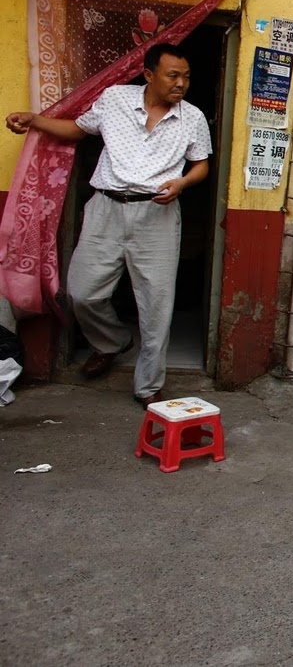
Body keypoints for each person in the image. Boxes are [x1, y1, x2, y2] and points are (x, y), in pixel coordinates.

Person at [5, 43, 212, 408]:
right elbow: (78, 129)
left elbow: (201, 165)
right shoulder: (115, 98)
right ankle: (111, 341)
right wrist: (36, 120)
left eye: (187, 77)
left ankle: (148, 385)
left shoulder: (192, 117)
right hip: (106, 208)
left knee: (156, 303)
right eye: (173, 75)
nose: (181, 83)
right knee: (81, 292)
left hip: (157, 214)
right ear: (149, 75)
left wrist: (181, 183)